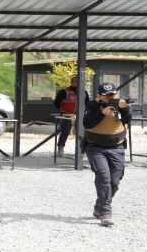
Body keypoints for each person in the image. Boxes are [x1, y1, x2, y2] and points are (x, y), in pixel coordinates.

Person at [83, 82, 132, 227]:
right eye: (106, 96)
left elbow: (127, 121)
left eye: (113, 95)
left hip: (116, 147)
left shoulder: (121, 105)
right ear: (99, 96)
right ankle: (105, 213)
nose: (110, 98)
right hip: (95, 147)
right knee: (103, 177)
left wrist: (125, 109)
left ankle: (99, 206)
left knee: (115, 182)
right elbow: (87, 123)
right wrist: (101, 113)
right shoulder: (92, 105)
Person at [53, 76, 89, 156]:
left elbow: (87, 103)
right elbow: (56, 103)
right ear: (71, 82)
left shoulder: (84, 92)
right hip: (67, 115)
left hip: (80, 115)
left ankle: (81, 150)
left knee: (80, 133)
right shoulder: (64, 91)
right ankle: (60, 148)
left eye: (78, 81)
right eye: (75, 81)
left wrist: (84, 111)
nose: (77, 83)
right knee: (65, 131)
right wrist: (63, 111)